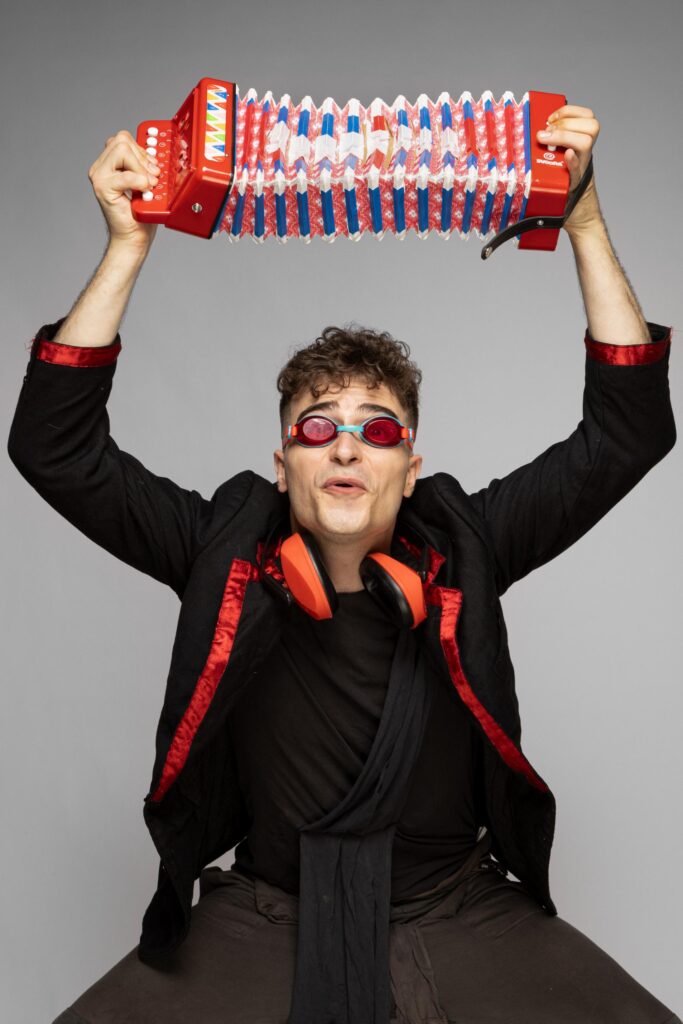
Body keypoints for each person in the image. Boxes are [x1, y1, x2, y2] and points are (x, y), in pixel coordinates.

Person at [8, 114, 680, 1024]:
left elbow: (626, 434)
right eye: (317, 427)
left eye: (379, 429)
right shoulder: (220, 548)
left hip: (458, 907)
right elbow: (54, 449)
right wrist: (129, 247)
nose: (346, 448)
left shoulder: (469, 542)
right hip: (270, 914)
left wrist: (585, 219)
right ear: (283, 464)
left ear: (410, 465)